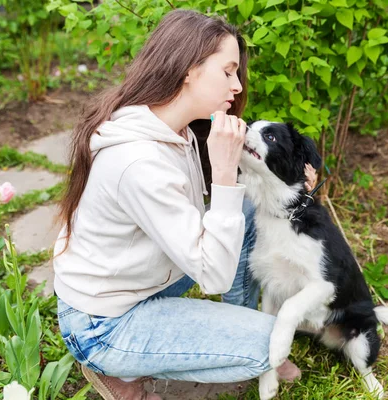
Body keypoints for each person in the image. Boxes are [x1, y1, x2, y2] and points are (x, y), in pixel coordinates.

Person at [54, 9, 316, 400]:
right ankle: (118, 371)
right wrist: (226, 174)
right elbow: (215, 276)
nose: (238, 86)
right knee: (269, 344)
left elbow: (223, 224)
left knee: (246, 214)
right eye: (228, 71)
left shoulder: (175, 129)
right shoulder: (138, 161)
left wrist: (290, 185)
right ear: (189, 69)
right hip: (102, 323)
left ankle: (233, 323)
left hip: (137, 282)